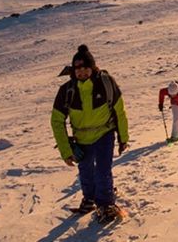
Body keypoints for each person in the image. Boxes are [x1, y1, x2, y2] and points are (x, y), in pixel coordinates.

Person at [51, 45, 129, 224]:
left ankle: (106, 203)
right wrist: (65, 150)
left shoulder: (106, 83)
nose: (82, 72)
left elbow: (119, 111)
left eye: (85, 68)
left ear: (93, 67)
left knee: (102, 170)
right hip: (81, 138)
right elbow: (57, 121)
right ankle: (90, 198)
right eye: (78, 69)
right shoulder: (67, 91)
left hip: (105, 133)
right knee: (85, 170)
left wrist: (123, 138)